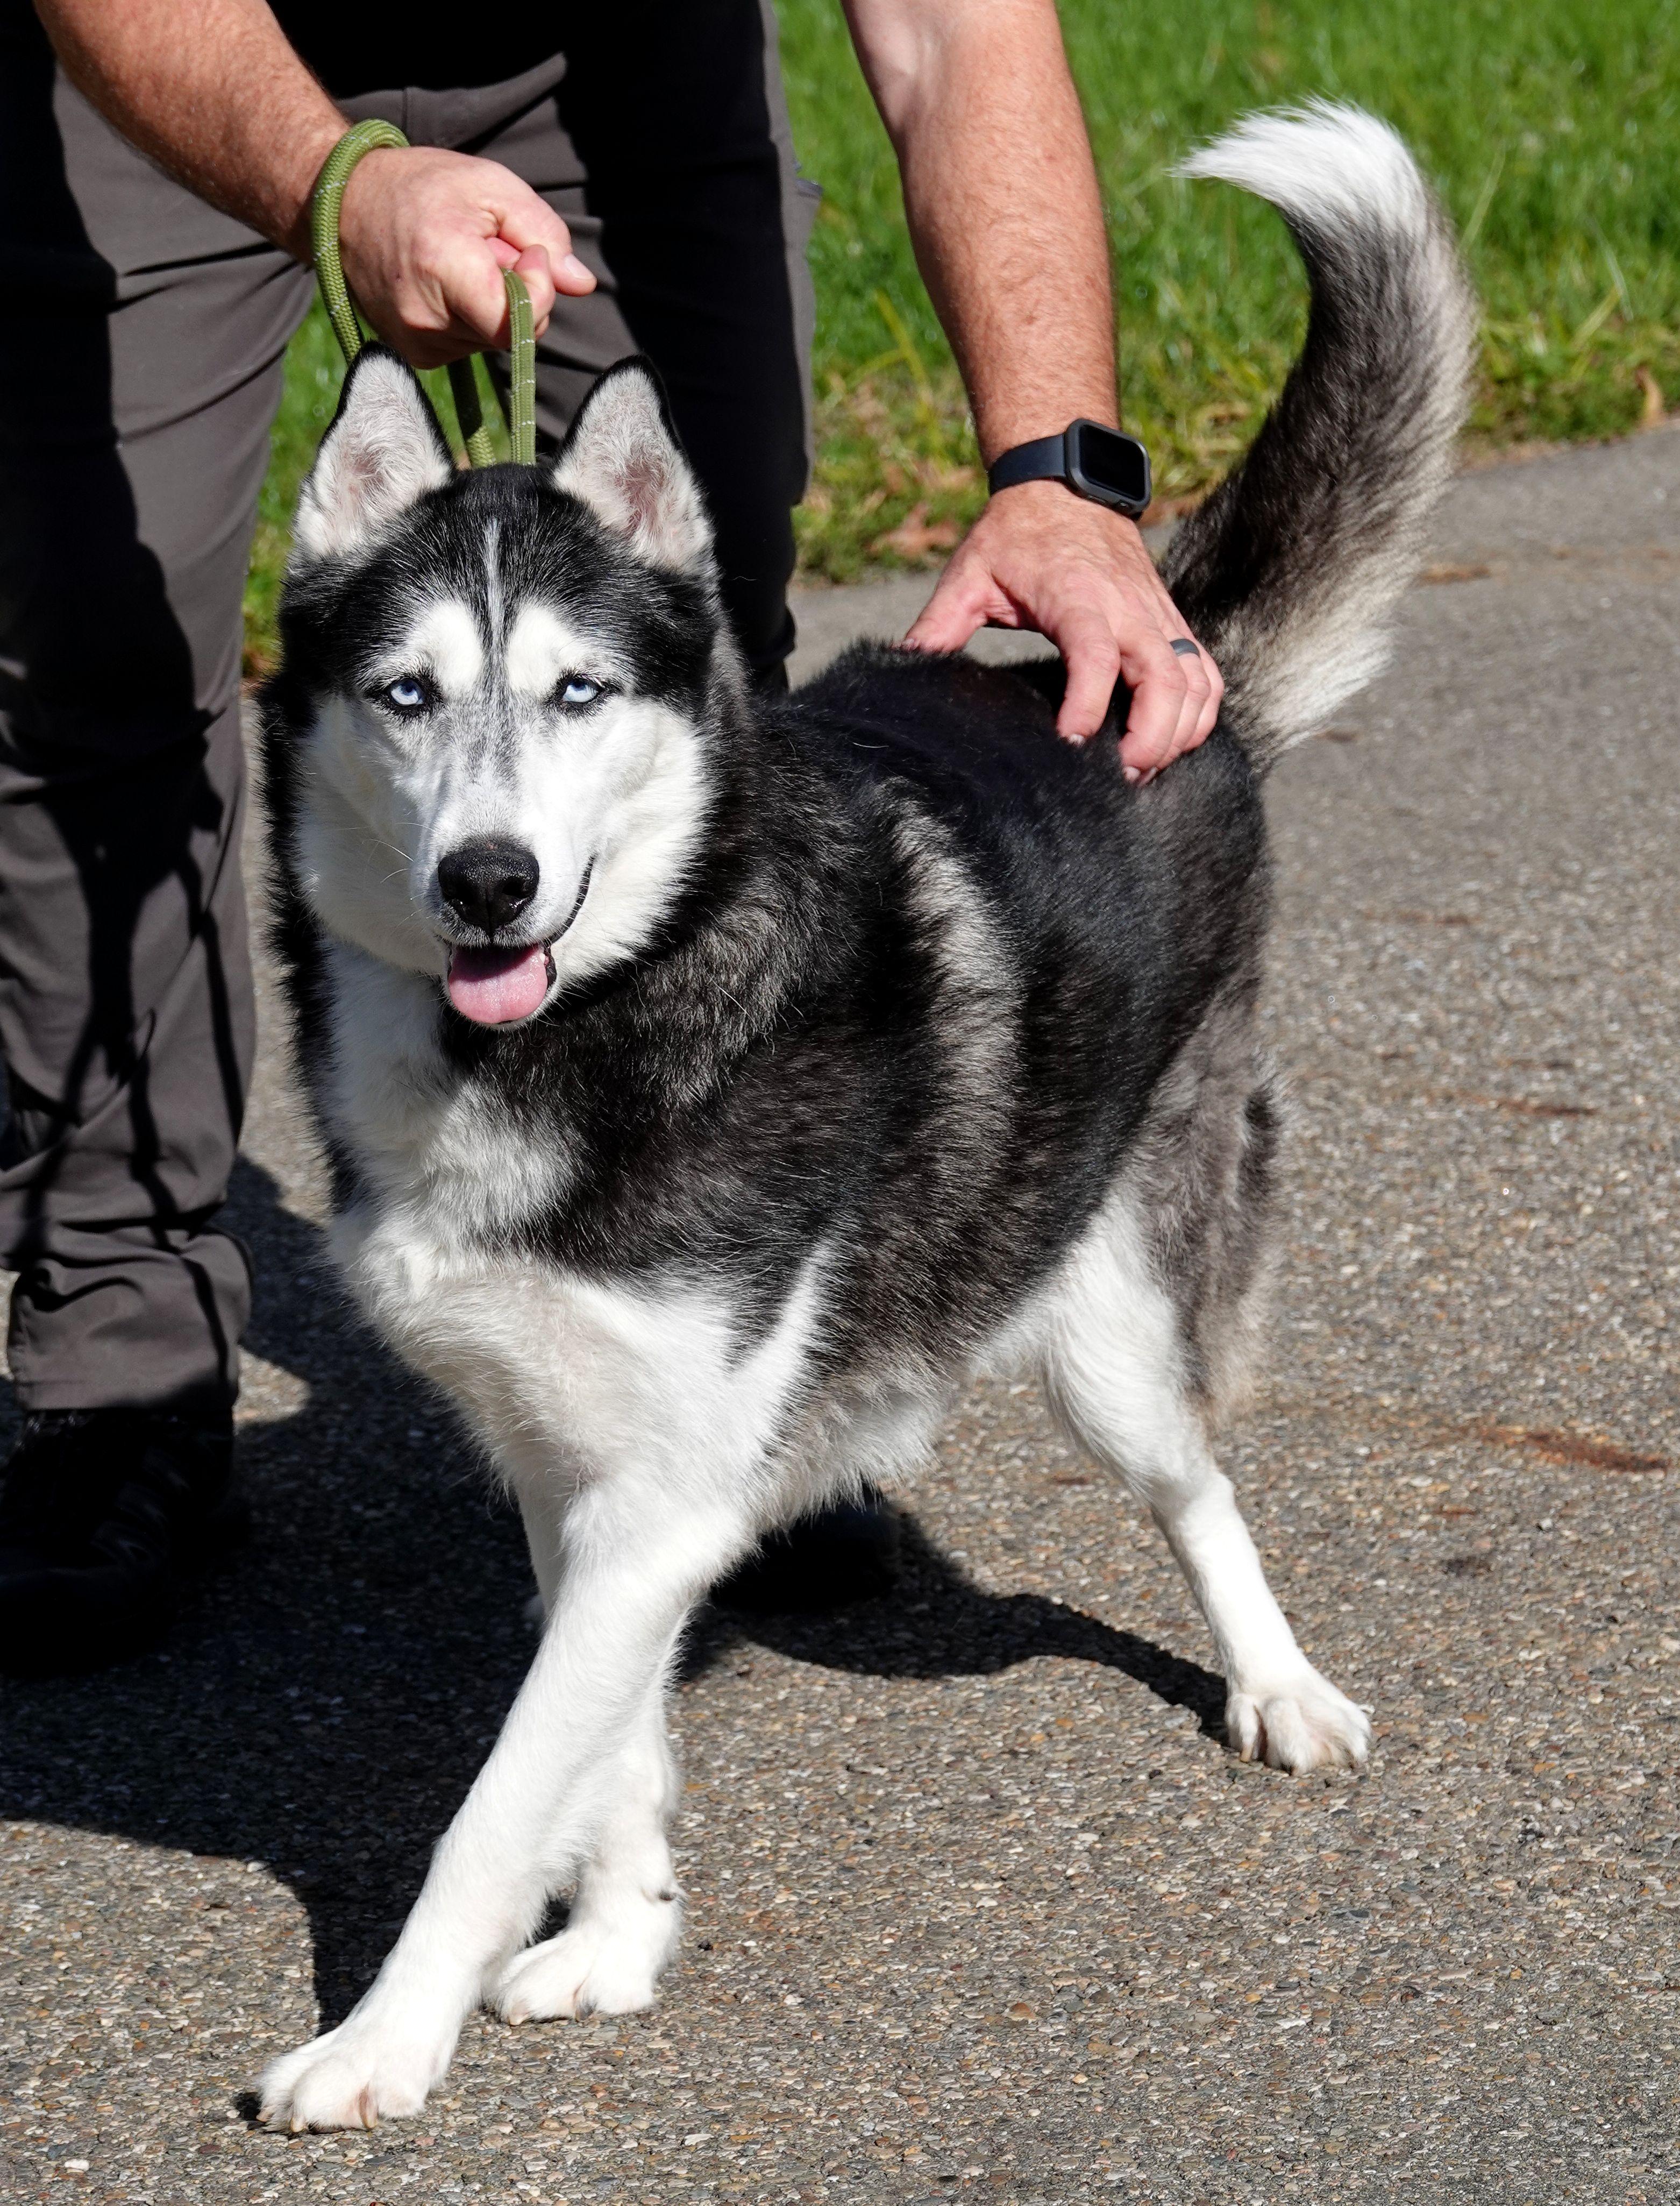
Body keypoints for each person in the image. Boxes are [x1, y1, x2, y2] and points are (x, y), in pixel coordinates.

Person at [0, 0, 1221, 1673]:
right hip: (168, 48)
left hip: (611, 45)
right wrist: (331, 174)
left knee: (676, 666)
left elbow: (955, 25)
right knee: (88, 662)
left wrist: (1060, 474)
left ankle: (718, 1332)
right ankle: (117, 1361)